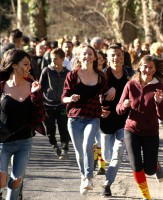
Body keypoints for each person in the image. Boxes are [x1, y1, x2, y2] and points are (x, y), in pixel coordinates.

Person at [116, 55, 163, 200]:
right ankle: (146, 196)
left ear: (155, 69)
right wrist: (124, 106)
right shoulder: (131, 84)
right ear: (139, 67)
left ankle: (154, 164)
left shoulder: (158, 86)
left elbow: (162, 116)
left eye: (151, 67)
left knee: (149, 169)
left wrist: (159, 102)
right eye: (145, 66)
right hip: (131, 130)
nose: (147, 70)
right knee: (136, 165)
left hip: (150, 132)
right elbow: (118, 109)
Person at [61, 45, 107, 195]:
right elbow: (64, 97)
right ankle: (83, 177)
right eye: (84, 54)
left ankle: (88, 177)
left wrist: (111, 91)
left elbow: (106, 94)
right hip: (74, 118)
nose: (86, 56)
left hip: (92, 117)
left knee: (88, 143)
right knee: (79, 152)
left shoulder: (100, 76)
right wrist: (70, 98)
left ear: (94, 57)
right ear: (80, 57)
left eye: (89, 54)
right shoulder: (73, 76)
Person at [0, 49, 45, 199]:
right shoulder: (1, 86)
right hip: (2, 142)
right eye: (25, 64)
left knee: (15, 184)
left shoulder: (33, 86)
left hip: (24, 142)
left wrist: (36, 95)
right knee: (1, 180)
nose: (29, 67)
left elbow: (41, 116)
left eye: (29, 64)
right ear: (13, 65)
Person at [99, 44, 133, 196]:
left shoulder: (130, 75)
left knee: (118, 152)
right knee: (107, 156)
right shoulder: (102, 75)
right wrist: (106, 92)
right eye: (112, 55)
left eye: (119, 54)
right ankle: (108, 176)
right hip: (105, 122)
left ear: (123, 57)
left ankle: (107, 184)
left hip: (124, 121)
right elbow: (92, 96)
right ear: (108, 58)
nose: (116, 58)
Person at [39, 48, 70, 159]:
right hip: (48, 105)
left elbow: (70, 88)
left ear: (62, 59)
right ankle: (54, 144)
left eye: (55, 59)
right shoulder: (46, 71)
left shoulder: (67, 73)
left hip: (62, 105)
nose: (52, 61)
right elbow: (40, 87)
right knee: (50, 129)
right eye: (51, 59)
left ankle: (65, 148)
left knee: (63, 128)